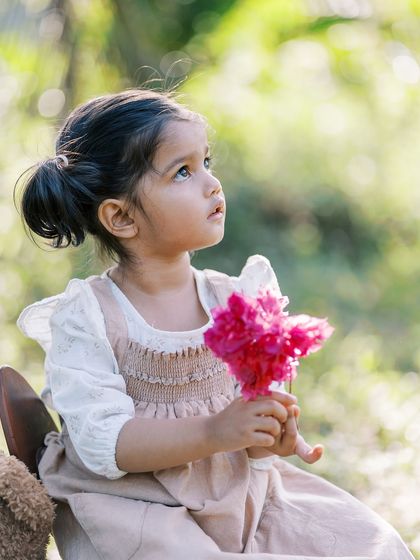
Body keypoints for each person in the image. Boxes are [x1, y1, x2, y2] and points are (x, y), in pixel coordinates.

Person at [16, 89, 414, 559]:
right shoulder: (90, 318)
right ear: (120, 217)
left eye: (207, 162)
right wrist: (214, 432)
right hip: (138, 509)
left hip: (239, 494)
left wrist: (268, 435)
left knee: (374, 545)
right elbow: (105, 442)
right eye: (183, 171)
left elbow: (251, 428)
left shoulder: (236, 300)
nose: (212, 184)